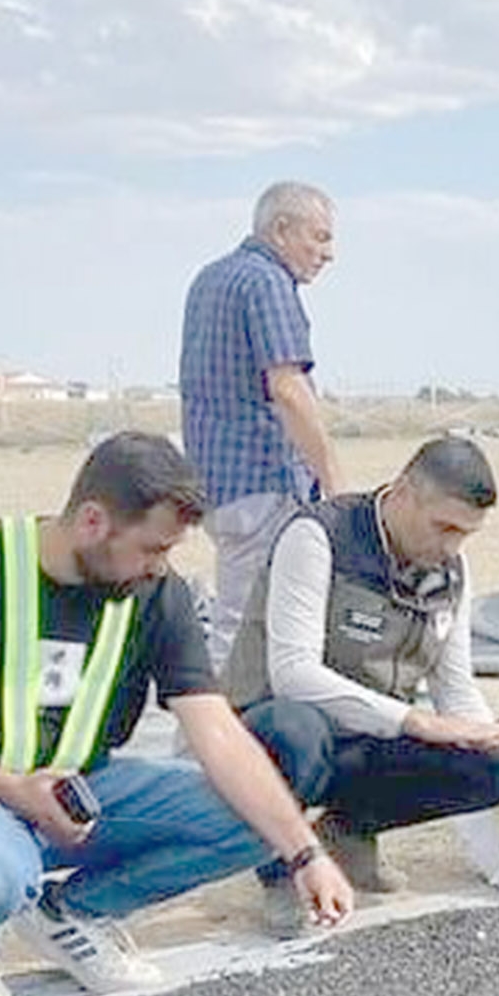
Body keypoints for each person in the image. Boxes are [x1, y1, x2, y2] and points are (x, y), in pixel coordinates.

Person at [0, 431, 353, 996]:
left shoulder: (156, 594)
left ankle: (74, 914)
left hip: (80, 791)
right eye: (150, 548)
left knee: (262, 817)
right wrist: (11, 789)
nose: (161, 565)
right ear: (91, 521)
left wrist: (305, 852)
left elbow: (216, 731)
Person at [224, 435, 499, 922]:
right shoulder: (318, 536)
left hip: (369, 733)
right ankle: (282, 862)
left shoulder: (451, 569)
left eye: (465, 535)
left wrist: (487, 740)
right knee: (295, 729)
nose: (451, 546)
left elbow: (455, 686)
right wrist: (417, 721)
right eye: (444, 527)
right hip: (273, 730)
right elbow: (293, 675)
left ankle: (346, 831)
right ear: (404, 493)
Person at [179, 180, 340, 669]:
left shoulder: (210, 278)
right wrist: (334, 482)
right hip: (263, 483)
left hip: (219, 483)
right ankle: (203, 742)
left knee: (244, 622)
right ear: (281, 229)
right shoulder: (268, 283)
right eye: (321, 237)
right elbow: (289, 389)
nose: (328, 253)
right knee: (246, 628)